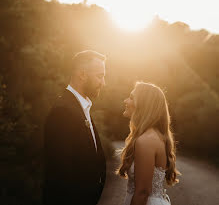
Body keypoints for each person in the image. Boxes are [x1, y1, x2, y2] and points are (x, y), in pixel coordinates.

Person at [43, 50, 106, 205]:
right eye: (100, 76)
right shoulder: (63, 111)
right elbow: (60, 174)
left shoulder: (81, 108)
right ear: (82, 75)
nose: (103, 83)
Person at [117, 82, 180, 205]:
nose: (125, 101)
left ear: (143, 105)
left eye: (131, 97)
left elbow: (143, 192)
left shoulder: (146, 140)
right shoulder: (150, 136)